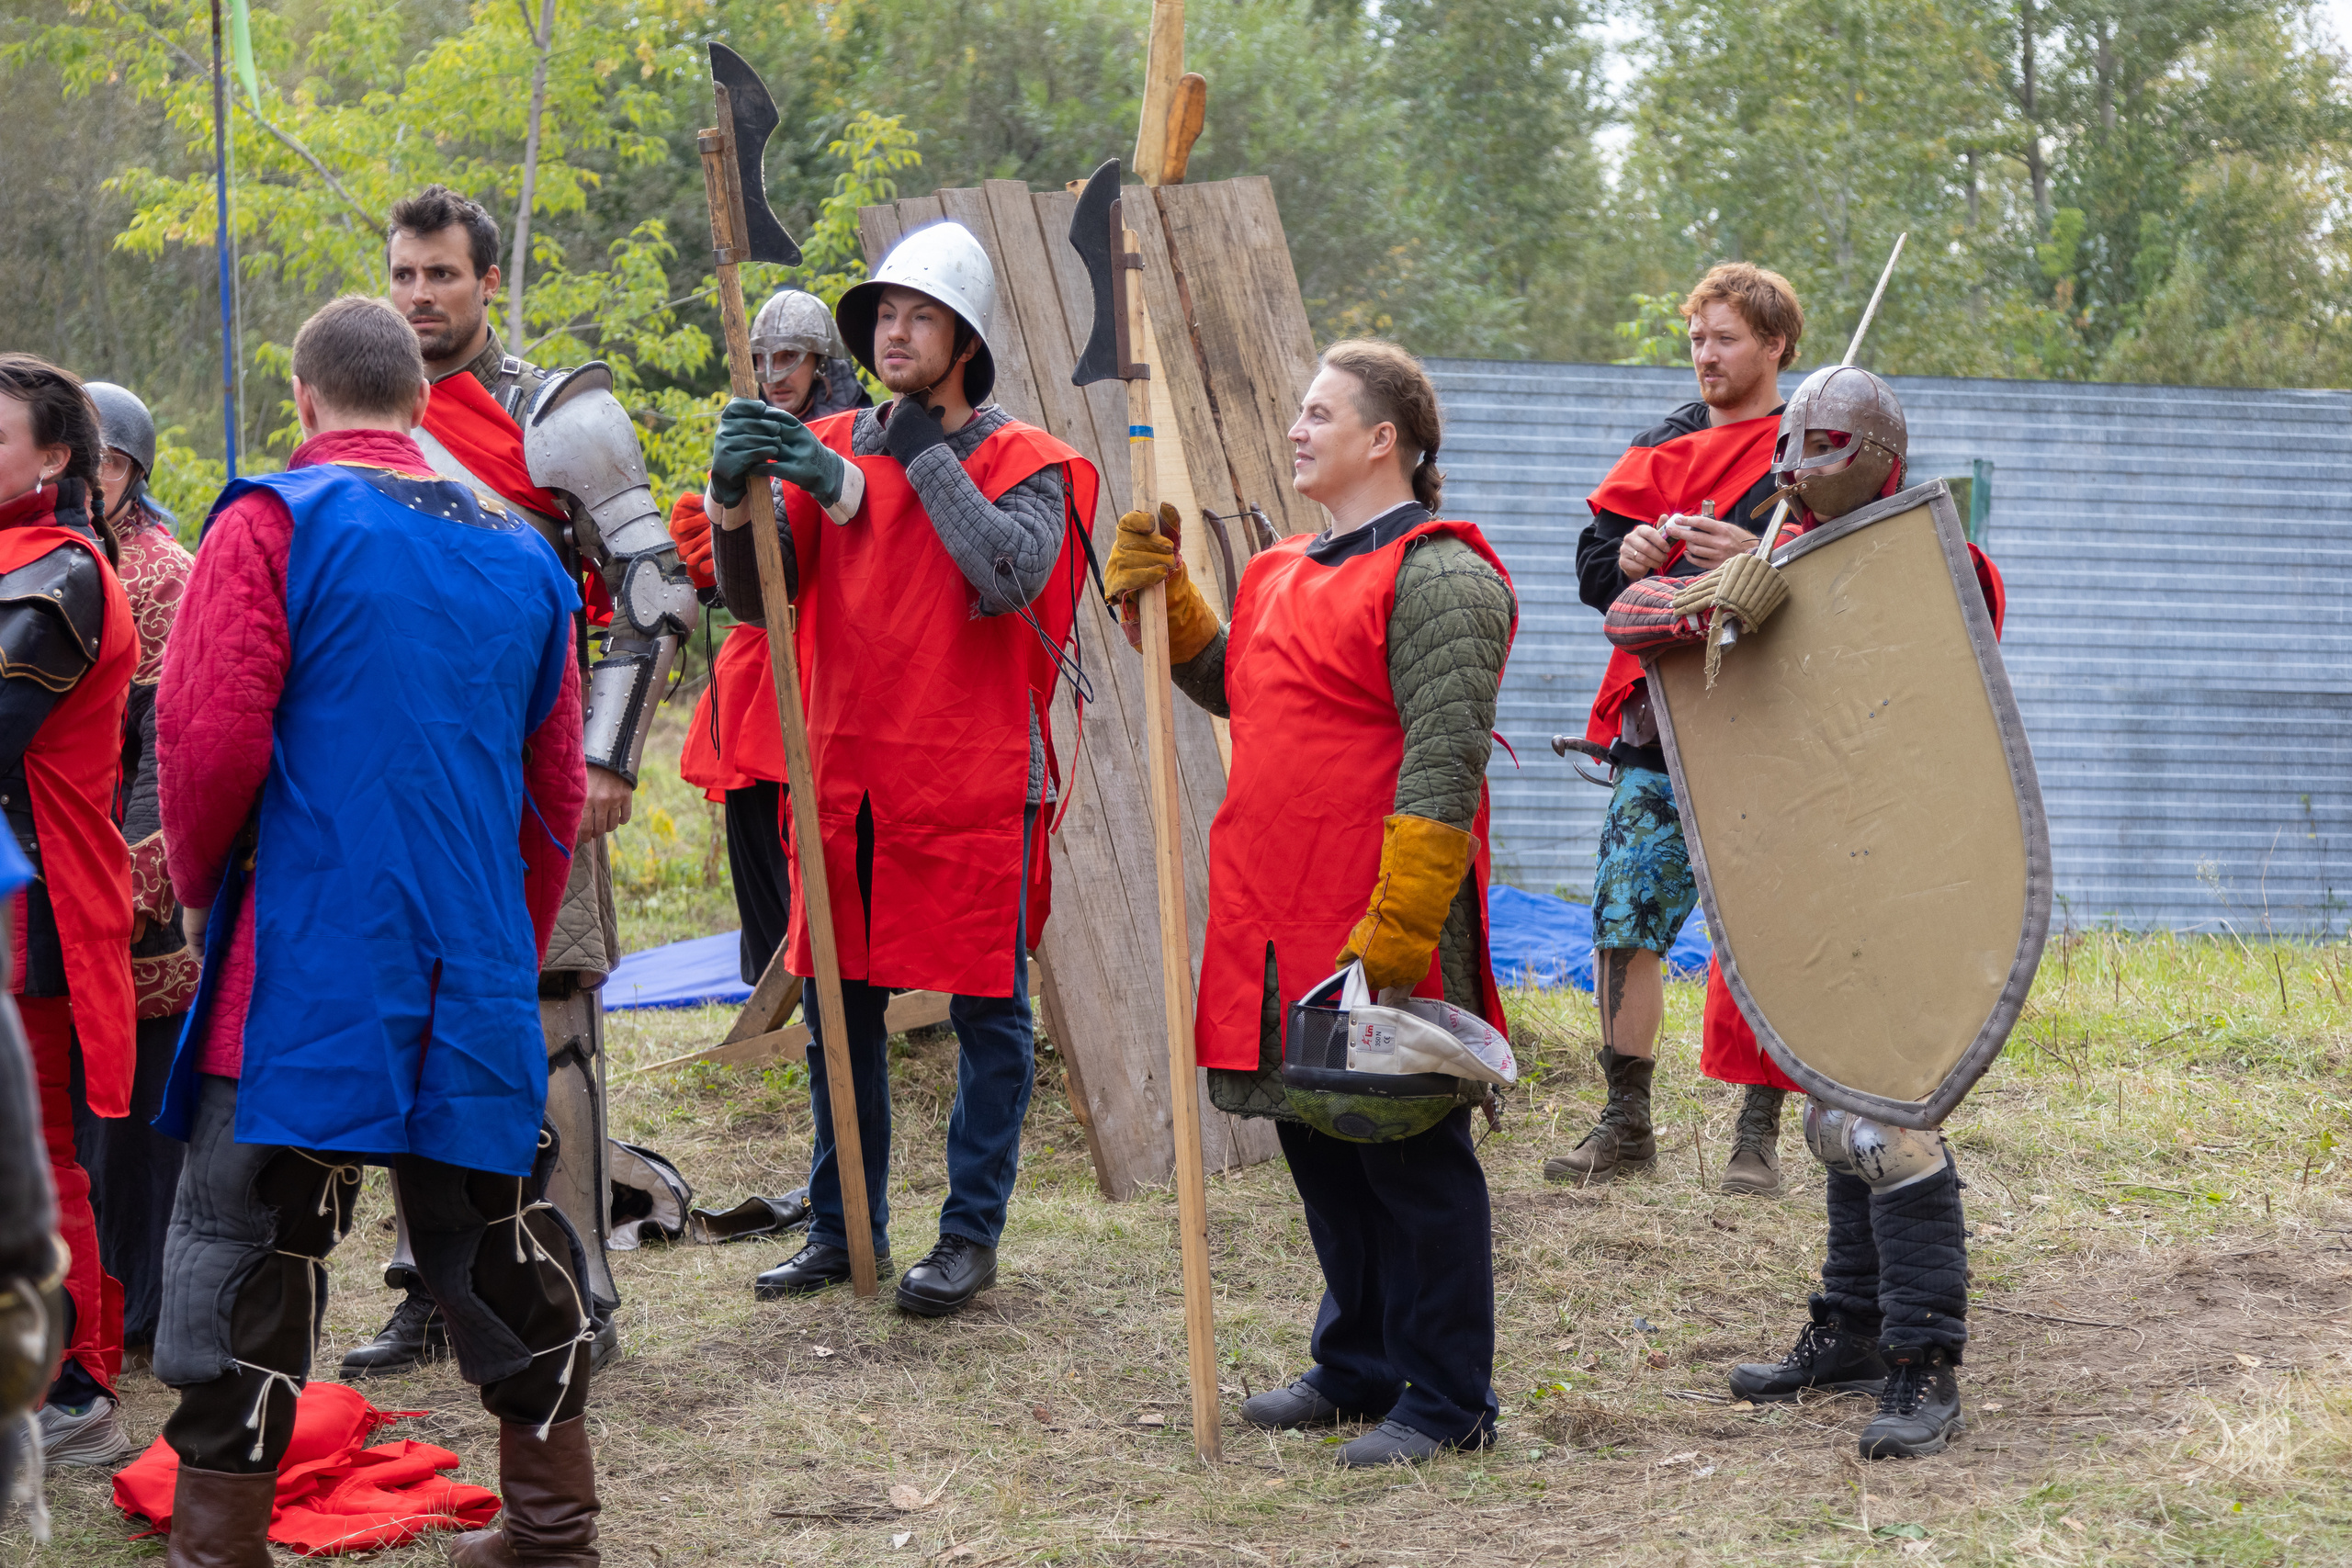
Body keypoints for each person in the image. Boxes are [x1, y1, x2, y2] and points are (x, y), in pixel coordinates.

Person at [151, 295, 596, 1561]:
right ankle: (556, 1528)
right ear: (420, 401)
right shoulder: (525, 552)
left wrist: (198, 887)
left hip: (310, 949)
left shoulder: (273, 519)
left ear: (306, 399)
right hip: (470, 954)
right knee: (497, 1235)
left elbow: (209, 738)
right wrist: (498, 937)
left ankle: (220, 1541)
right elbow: (555, 790)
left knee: (241, 1238)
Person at [1109, 339, 1517, 1467]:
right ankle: (1359, 1365)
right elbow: (1236, 684)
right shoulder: (1283, 567)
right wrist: (1173, 599)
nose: (1298, 428)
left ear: (1383, 439)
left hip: (1372, 909)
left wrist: (1402, 929)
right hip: (1272, 905)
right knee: (1318, 1144)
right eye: (1298, 411)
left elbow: (1444, 767)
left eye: (1320, 414)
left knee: (1408, 1159)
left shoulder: (1443, 578)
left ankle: (1447, 1398)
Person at [1600, 364, 2002, 1460]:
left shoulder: (1937, 559)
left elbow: (1914, 668)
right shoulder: (1762, 554)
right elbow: (1629, 629)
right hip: (1802, 874)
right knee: (1828, 1110)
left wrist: (1792, 586)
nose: (1793, 467)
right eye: (1791, 444)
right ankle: (1853, 1327)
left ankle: (1924, 1358)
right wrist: (1682, 578)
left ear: (1874, 456)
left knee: (1888, 1117)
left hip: (1900, 873)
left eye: (1821, 444)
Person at [703, 220, 1098, 1314]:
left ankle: (968, 1236)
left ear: (964, 338)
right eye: (882, 315)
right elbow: (755, 597)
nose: (894, 332)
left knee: (987, 1010)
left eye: (919, 315)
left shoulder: (1032, 464)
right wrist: (732, 497)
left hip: (975, 780)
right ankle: (841, 1227)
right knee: (841, 1007)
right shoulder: (827, 439)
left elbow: (1008, 573)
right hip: (848, 774)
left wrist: (903, 452)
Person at [340, 184, 698, 1378]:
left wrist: (604, 754)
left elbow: (655, 593)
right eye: (404, 274)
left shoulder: (559, 415)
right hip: (401, 773)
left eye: (442, 274)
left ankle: (574, 1277)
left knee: (550, 1016)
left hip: (537, 763)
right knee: (414, 1019)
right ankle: (427, 1285)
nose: (421, 296)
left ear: (487, 283)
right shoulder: (358, 414)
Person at [1550, 263, 1804, 1194]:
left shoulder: (1809, 447)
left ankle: (1757, 1138)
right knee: (1623, 916)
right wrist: (1626, 553)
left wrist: (1760, 557)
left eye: (1725, 339)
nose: (1705, 355)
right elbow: (1591, 572)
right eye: (1697, 338)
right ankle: (1624, 1130)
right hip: (1659, 725)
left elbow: (1851, 585)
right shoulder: (1660, 445)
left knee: (1768, 931)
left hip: (1770, 726)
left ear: (1774, 346)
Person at [0, 355, 138, 1468]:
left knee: (38, 1150)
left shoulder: (63, 571)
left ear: (53, 457)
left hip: (32, 901)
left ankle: (76, 1380)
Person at [669, 288, 869, 987]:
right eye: (760, 359)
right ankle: (771, 983)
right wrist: (708, 551)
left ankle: (864, 985)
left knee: (837, 834)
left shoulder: (862, 434)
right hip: (761, 661)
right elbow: (738, 583)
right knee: (756, 822)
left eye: (788, 357)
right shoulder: (743, 436)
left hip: (841, 659)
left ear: (823, 362)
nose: (773, 371)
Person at [67, 381, 198, 1367]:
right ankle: (100, 1294)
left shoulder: (162, 574)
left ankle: (149, 1305)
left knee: (144, 1116)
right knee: (80, 1109)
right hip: (65, 860)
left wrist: (140, 870)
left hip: (137, 873)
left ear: (132, 472)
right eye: (83, 460)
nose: (93, 477)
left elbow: (170, 745)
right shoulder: (70, 559)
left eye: (108, 463)